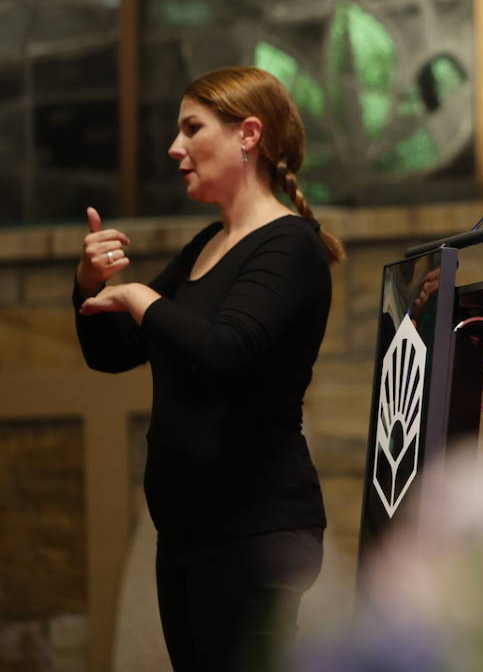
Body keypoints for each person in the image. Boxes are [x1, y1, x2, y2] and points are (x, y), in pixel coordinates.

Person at [73, 66, 344, 672]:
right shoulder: (206, 244)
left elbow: (225, 351)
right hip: (191, 535)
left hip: (257, 533)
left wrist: (140, 297)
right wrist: (91, 284)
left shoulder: (290, 245)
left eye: (191, 128)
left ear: (248, 134)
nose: (175, 148)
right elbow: (112, 351)